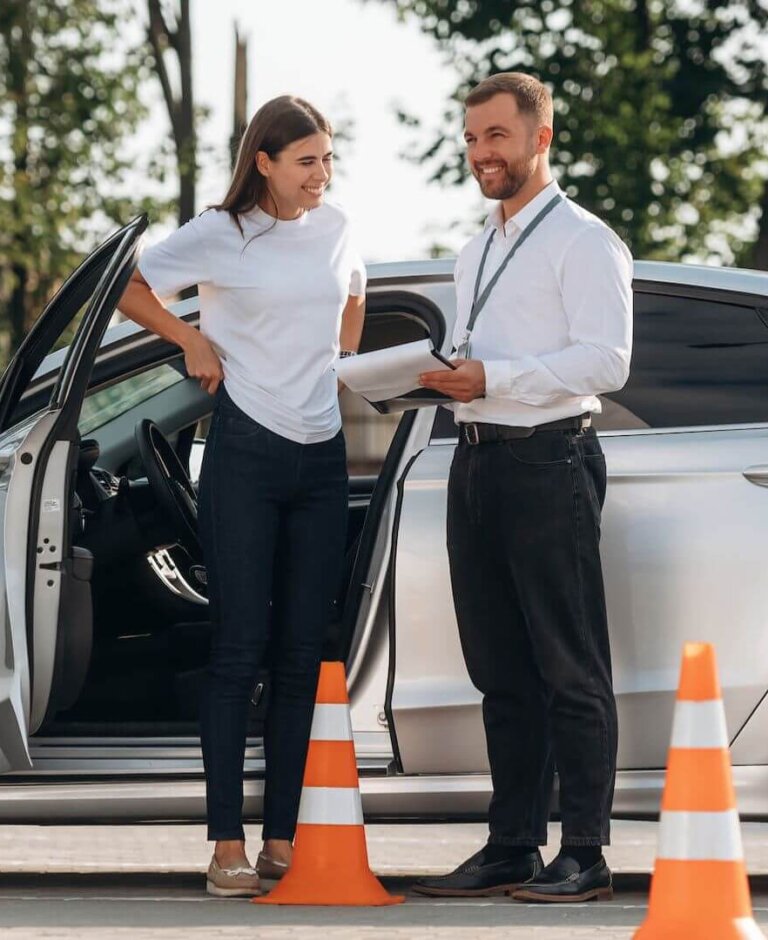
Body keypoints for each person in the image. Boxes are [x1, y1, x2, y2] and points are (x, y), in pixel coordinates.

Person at [118, 96, 366, 898]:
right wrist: (191, 338)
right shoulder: (220, 234)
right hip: (246, 453)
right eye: (307, 161)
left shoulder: (337, 229)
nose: (322, 174)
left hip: (321, 457)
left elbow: (354, 295)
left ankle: (283, 840)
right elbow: (129, 285)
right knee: (237, 650)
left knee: (301, 653)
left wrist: (341, 365)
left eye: (328, 159)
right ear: (264, 161)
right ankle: (226, 842)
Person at [413, 72, 632, 903]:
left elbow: (608, 361)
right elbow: (479, 358)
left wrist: (496, 375)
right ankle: (512, 845)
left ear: (541, 138)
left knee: (569, 665)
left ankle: (587, 852)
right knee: (498, 668)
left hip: (548, 459)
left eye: (496, 136)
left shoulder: (583, 240)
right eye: (470, 138)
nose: (479, 154)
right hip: (476, 460)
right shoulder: (476, 251)